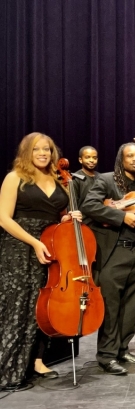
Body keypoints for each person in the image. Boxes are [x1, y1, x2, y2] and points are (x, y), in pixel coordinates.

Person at [0, 132, 82, 391]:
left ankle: (31, 363)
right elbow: (4, 218)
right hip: (20, 248)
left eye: (47, 149)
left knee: (39, 309)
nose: (43, 154)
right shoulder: (15, 178)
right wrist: (35, 243)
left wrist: (67, 220)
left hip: (51, 246)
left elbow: (57, 215)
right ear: (27, 152)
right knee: (17, 308)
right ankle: (7, 371)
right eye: (37, 150)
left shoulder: (59, 180)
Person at [82, 142, 135, 375]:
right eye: (130, 156)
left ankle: (123, 348)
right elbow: (90, 205)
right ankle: (106, 355)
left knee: (132, 306)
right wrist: (120, 217)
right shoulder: (106, 180)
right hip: (114, 252)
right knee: (111, 306)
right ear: (121, 160)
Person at [71, 146, 99, 225]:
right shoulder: (75, 178)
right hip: (84, 222)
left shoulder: (101, 177)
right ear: (80, 160)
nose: (91, 160)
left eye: (94, 158)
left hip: (100, 221)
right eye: (87, 157)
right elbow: (74, 204)